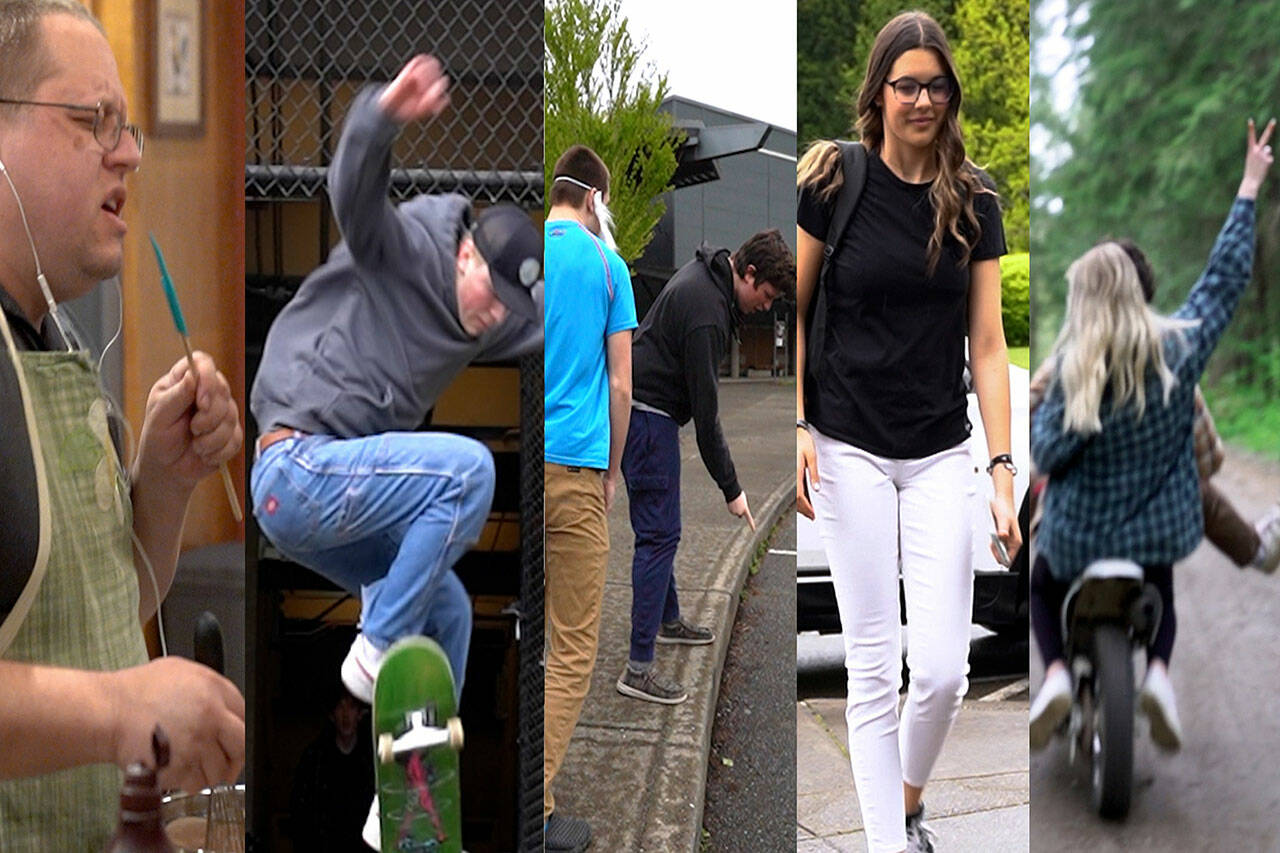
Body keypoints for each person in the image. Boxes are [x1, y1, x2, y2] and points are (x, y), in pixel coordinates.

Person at [249, 53, 542, 848]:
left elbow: (547, 326)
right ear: (466, 256)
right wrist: (383, 113)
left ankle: (408, 793)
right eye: (492, 298)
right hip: (293, 466)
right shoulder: (406, 245)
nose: (494, 322)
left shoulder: (498, 312)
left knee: (445, 602)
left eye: (509, 313)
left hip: (331, 505)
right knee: (468, 473)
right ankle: (374, 646)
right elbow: (353, 188)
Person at [0, 1, 245, 848]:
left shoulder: (52, 339)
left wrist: (165, 483)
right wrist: (117, 711)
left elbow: (111, 606)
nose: (130, 152)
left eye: (127, 124)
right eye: (91, 120)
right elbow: (102, 683)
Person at [795, 11, 1020, 852]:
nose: (922, 99)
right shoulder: (831, 180)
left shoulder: (977, 199)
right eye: (906, 84)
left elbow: (989, 345)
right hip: (847, 441)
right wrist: (797, 421)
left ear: (950, 94)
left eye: (935, 85)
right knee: (871, 670)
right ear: (879, 93)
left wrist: (1000, 470)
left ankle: (906, 800)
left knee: (943, 674)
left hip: (937, 452)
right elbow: (800, 308)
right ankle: (889, 841)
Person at [1028, 118, 1274, 753]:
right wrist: (1248, 189)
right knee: (1159, 573)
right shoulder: (1177, 353)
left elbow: (1046, 453)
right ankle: (1159, 675)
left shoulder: (1071, 372)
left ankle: (1054, 673)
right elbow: (1222, 284)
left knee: (1041, 579)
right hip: (1153, 536)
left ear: (1083, 303)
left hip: (1079, 540)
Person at [616, 229, 793, 704]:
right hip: (649, 422)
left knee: (660, 531)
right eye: (767, 295)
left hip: (646, 416)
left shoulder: (704, 278)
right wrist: (733, 490)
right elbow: (708, 416)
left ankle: (668, 620)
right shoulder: (708, 313)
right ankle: (638, 668)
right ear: (749, 273)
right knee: (658, 537)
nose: (766, 306)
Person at [1028, 248, 1280, 577]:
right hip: (1146, 522)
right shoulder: (1170, 368)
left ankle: (1020, 567)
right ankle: (1255, 549)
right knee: (1193, 487)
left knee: (1040, 567)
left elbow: (1032, 412)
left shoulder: (1065, 365)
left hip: (1079, 519)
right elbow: (1207, 461)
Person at [542, 143, 635, 853]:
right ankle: (535, 800)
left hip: (513, 471)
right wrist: (612, 473)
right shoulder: (609, 267)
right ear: (597, 199)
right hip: (576, 470)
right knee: (573, 644)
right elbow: (624, 385)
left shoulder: (518, 245)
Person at [289, 689, 374, 853]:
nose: (345, 715)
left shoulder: (370, 759)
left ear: (360, 714)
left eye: (351, 708)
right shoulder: (315, 759)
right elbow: (301, 814)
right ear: (332, 715)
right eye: (340, 707)